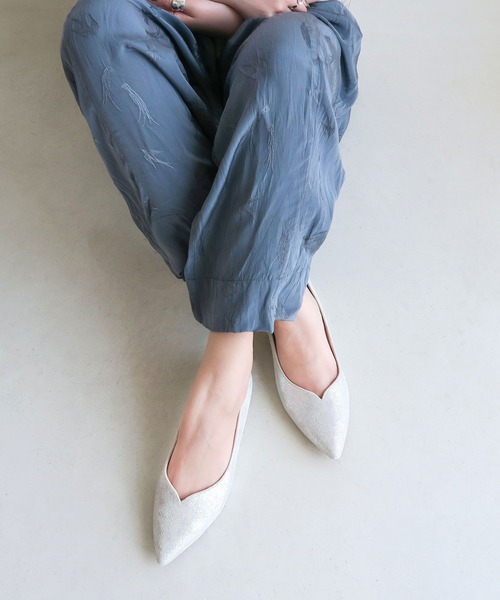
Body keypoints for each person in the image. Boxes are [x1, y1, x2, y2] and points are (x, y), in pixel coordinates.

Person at [59, 0, 362, 565]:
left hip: (288, 20)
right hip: (160, 12)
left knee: (290, 51)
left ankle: (228, 356)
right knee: (93, 26)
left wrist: (240, 8)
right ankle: (284, 291)